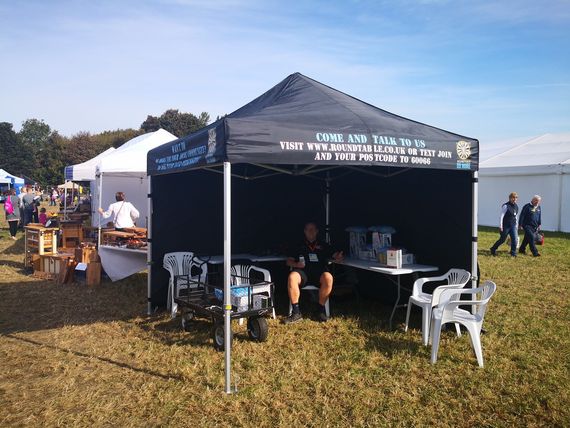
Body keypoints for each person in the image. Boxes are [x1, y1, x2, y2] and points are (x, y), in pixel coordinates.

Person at [284, 222, 344, 323]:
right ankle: (296, 313)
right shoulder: (298, 244)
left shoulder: (323, 244)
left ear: (317, 231)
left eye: (313, 229)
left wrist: (339, 257)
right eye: (308, 229)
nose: (310, 231)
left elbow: (336, 255)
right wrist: (297, 264)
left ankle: (320, 311)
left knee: (328, 277)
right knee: (292, 277)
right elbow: (288, 261)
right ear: (304, 231)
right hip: (303, 272)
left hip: (319, 273)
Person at [490, 192, 519, 257]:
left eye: (516, 198)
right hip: (506, 226)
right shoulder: (506, 206)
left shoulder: (516, 206)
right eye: (513, 198)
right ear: (510, 198)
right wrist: (501, 225)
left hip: (513, 226)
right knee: (502, 240)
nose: (514, 199)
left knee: (515, 239)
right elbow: (501, 216)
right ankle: (493, 248)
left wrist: (517, 224)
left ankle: (513, 253)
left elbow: (516, 216)